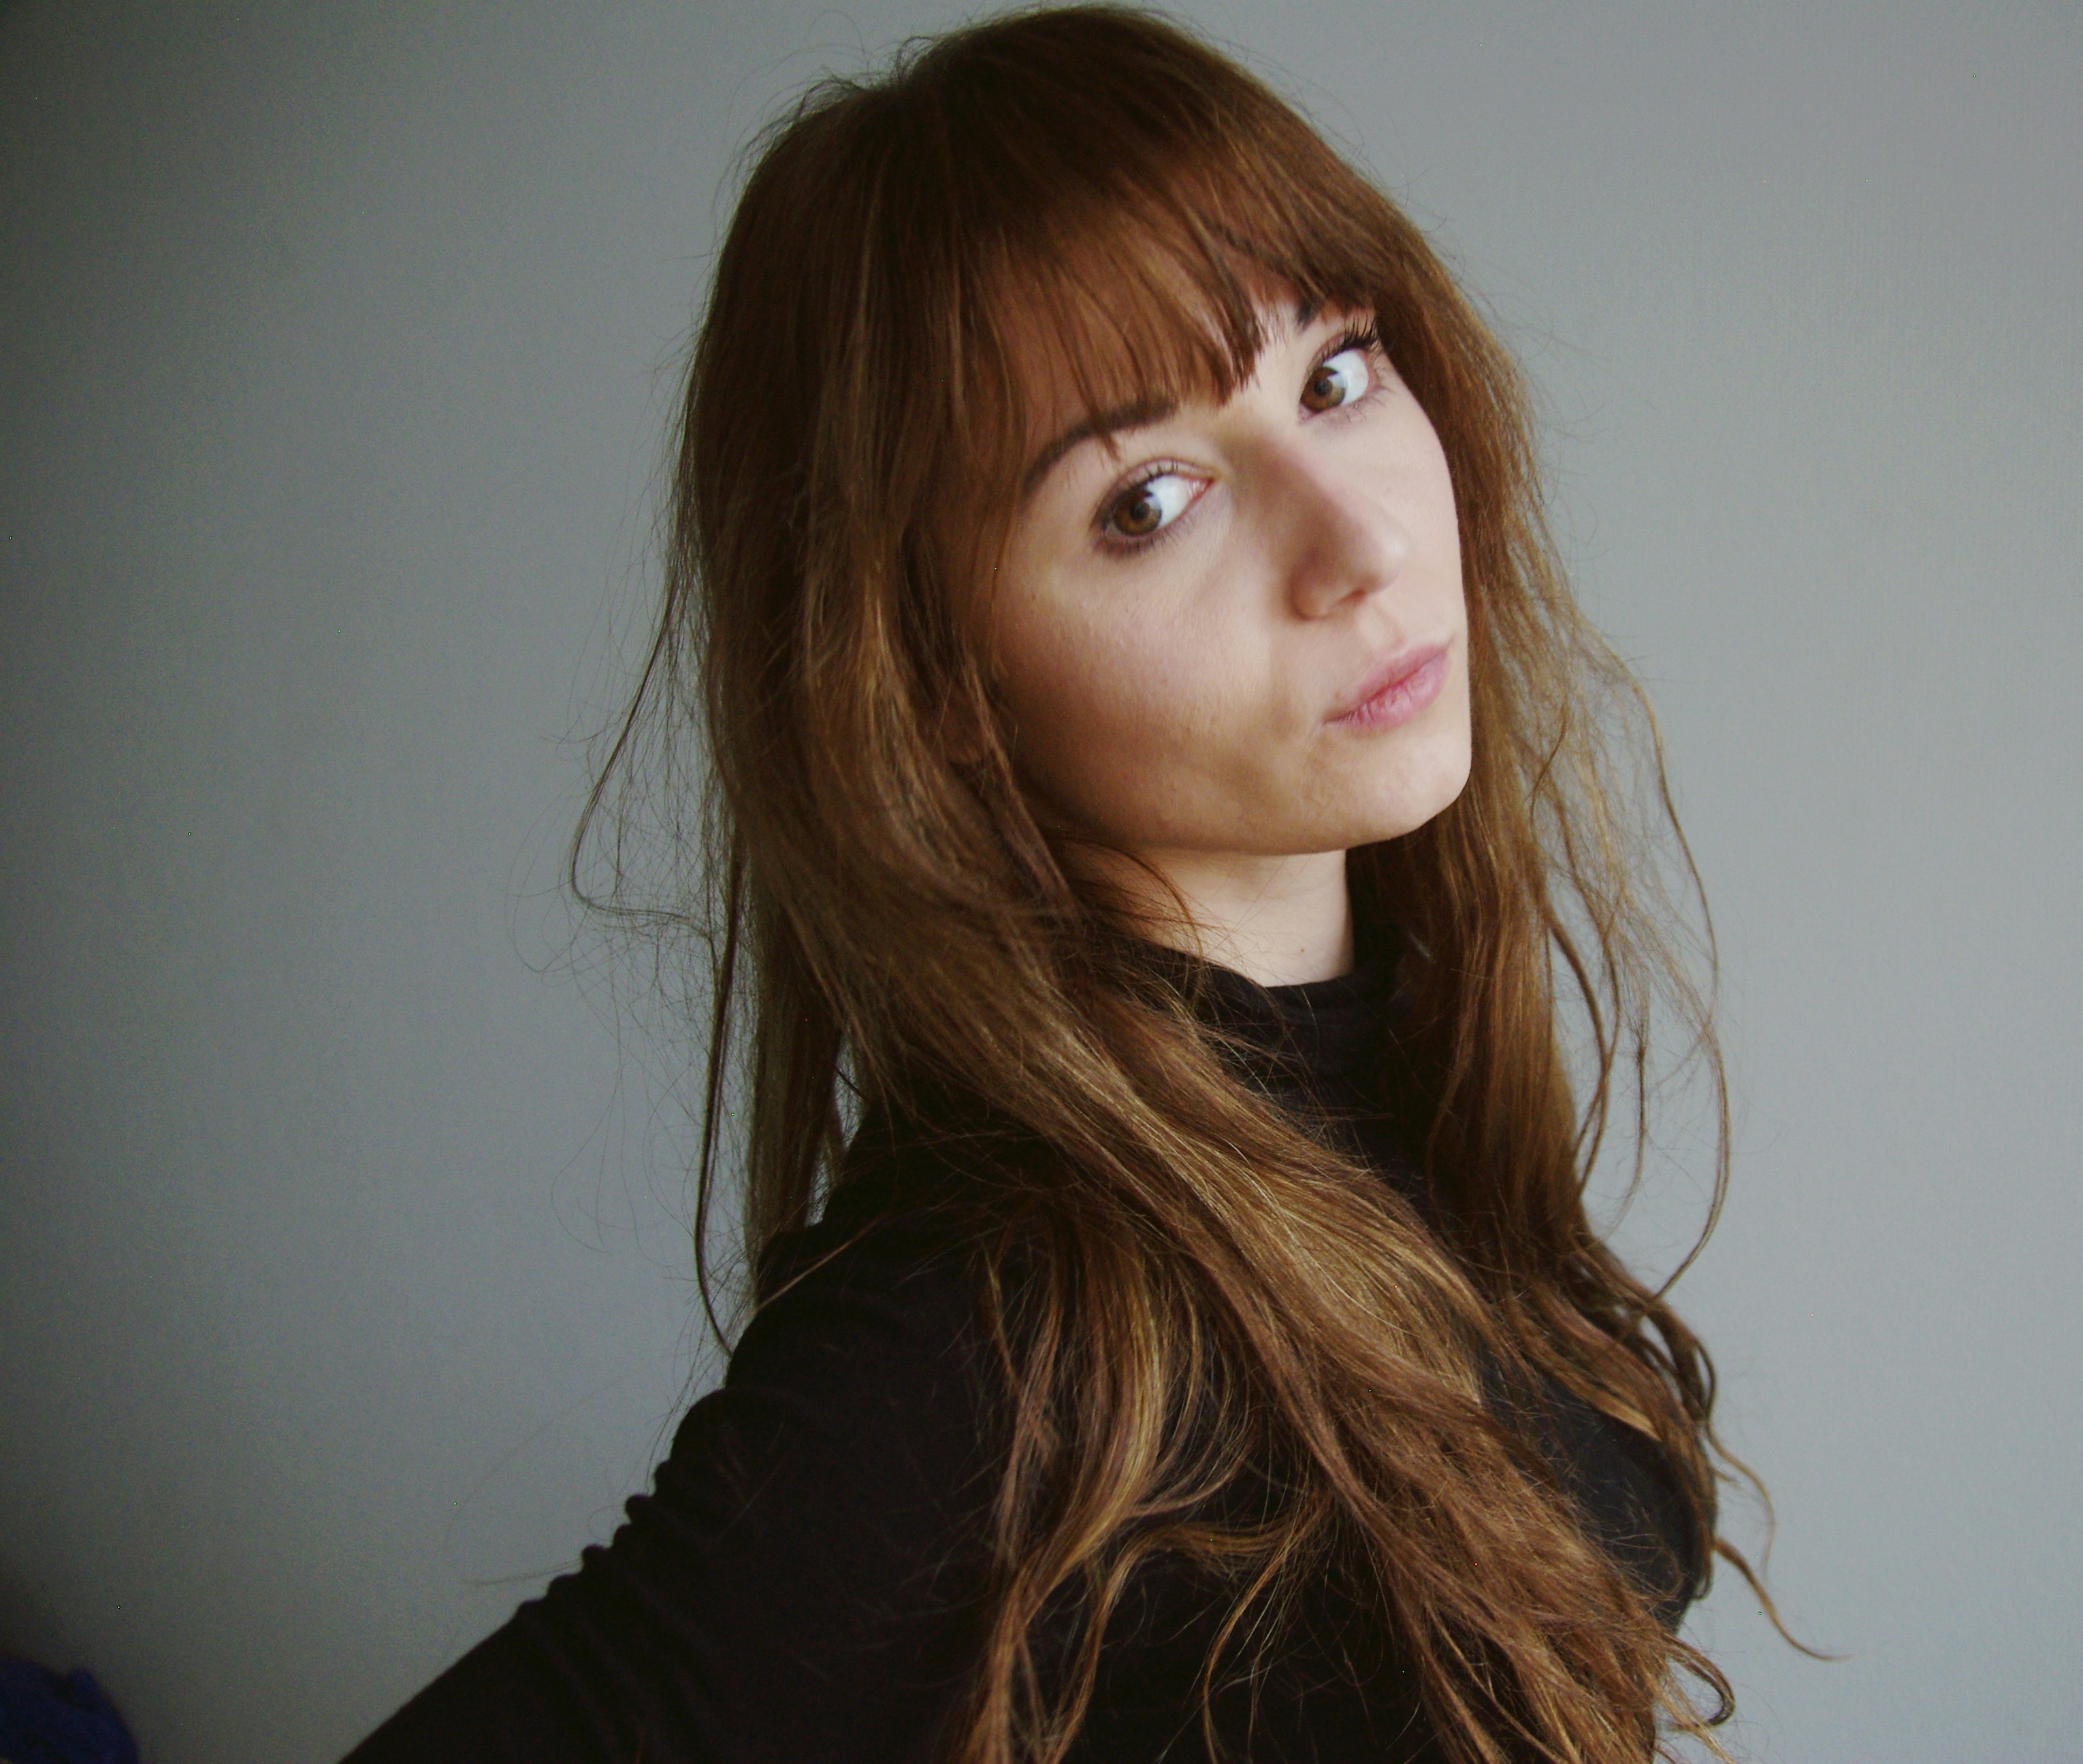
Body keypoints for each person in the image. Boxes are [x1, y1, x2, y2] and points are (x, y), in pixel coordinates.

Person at [344, 7, 1800, 1760]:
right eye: (1149, 501)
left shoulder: (1402, 1079)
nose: (1361, 542)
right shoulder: (995, 1319)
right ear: (930, 690)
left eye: (1335, 374)